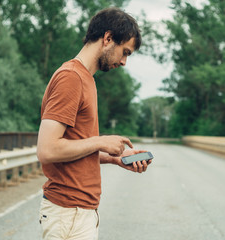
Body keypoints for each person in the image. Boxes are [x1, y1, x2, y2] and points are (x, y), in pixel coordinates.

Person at [37, 7, 152, 240]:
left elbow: (72, 146)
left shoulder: (86, 79)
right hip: (69, 213)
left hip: (79, 212)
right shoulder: (71, 77)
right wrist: (100, 141)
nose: (124, 61)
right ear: (108, 38)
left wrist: (113, 158)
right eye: (125, 52)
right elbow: (47, 150)